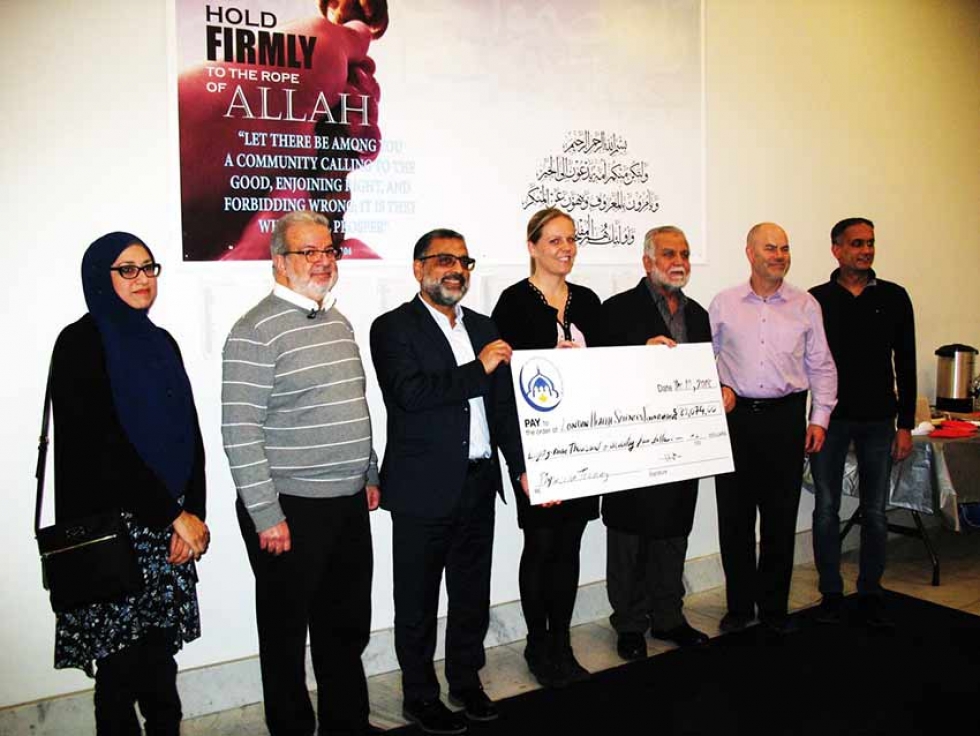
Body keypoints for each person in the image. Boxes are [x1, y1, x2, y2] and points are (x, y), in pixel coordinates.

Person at [221, 210, 381, 736]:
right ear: (278, 263)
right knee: (286, 635)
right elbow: (239, 431)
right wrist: (266, 514)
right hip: (289, 510)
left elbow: (353, 404)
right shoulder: (254, 331)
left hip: (347, 503)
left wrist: (369, 471)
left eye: (328, 250)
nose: (321, 261)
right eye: (307, 252)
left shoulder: (339, 321)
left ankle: (347, 723)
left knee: (346, 627)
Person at [50, 232, 209, 735]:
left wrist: (194, 513)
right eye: (127, 269)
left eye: (148, 268)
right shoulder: (79, 343)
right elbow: (102, 447)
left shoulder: (160, 341)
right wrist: (173, 516)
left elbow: (190, 432)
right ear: (101, 276)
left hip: (169, 525)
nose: (142, 279)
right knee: (120, 669)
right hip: (115, 531)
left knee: (161, 659)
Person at [370, 229, 527, 735]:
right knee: (416, 602)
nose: (455, 269)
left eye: (463, 261)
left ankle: (466, 680)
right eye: (443, 260)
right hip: (422, 489)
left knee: (470, 594)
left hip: (479, 483)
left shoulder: (485, 326)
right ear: (418, 268)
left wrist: (522, 466)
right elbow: (410, 394)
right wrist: (478, 367)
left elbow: (502, 408)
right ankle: (419, 695)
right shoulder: (392, 328)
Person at [709, 222, 837, 635]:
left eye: (785, 248)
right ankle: (739, 606)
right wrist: (719, 388)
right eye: (770, 248)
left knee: (781, 519)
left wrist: (819, 418)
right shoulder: (724, 304)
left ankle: (775, 607)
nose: (779, 255)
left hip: (786, 420)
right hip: (735, 420)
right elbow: (702, 361)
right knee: (735, 519)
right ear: (750, 252)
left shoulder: (806, 305)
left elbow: (821, 366)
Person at [490, 208, 600, 687]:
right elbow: (502, 391)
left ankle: (562, 641)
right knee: (541, 544)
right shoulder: (512, 304)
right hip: (535, 451)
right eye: (555, 241)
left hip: (583, 447)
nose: (566, 249)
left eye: (571, 240)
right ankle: (538, 646)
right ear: (532, 246)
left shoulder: (590, 302)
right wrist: (520, 464)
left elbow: (614, 371)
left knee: (571, 542)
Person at [597, 225, 711, 660]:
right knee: (629, 535)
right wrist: (638, 355)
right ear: (647, 262)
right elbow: (599, 377)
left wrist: (720, 391)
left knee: (673, 531)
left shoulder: (698, 315)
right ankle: (628, 623)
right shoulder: (616, 311)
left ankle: (669, 617)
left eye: (683, 252)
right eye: (667, 253)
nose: (677, 260)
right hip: (632, 444)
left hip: (682, 444)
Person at [808, 217, 916, 628]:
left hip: (878, 421)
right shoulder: (816, 300)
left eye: (870, 243)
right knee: (826, 508)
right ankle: (831, 591)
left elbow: (905, 361)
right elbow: (810, 364)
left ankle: (870, 587)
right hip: (831, 420)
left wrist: (904, 423)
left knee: (874, 510)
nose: (865, 250)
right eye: (856, 243)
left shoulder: (893, 297)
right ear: (836, 249)